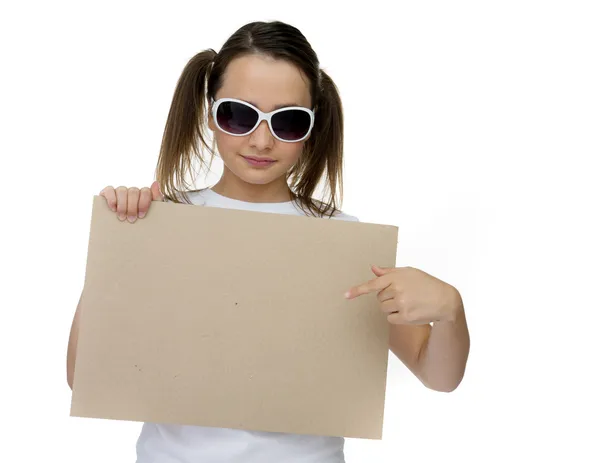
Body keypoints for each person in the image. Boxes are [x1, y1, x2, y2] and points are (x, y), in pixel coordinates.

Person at [66, 20, 470, 463]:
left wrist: (451, 308)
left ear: (313, 126)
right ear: (210, 113)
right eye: (238, 114)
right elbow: (81, 375)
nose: (261, 140)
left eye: (288, 121)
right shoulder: (164, 224)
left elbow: (440, 376)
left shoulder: (342, 240)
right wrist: (119, 246)